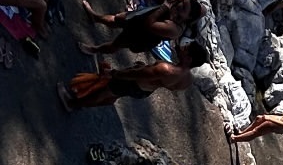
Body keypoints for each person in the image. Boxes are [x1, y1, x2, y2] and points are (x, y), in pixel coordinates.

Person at [57, 39, 210, 111]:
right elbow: (168, 85)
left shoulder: (166, 69)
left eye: (186, 48)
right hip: (145, 90)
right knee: (113, 95)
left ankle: (72, 104)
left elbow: (136, 74)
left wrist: (114, 74)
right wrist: (150, 72)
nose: (182, 47)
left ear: (189, 59)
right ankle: (94, 101)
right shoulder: (187, 79)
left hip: (134, 83)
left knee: (104, 92)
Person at [80, 0, 202, 55]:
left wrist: (164, 8)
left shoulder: (174, 29)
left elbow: (149, 25)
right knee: (117, 19)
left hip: (142, 36)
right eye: (182, 3)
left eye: (184, 8)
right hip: (142, 17)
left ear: (188, 17)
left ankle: (94, 50)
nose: (180, 5)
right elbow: (199, 5)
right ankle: (95, 17)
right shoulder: (176, 7)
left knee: (117, 44)